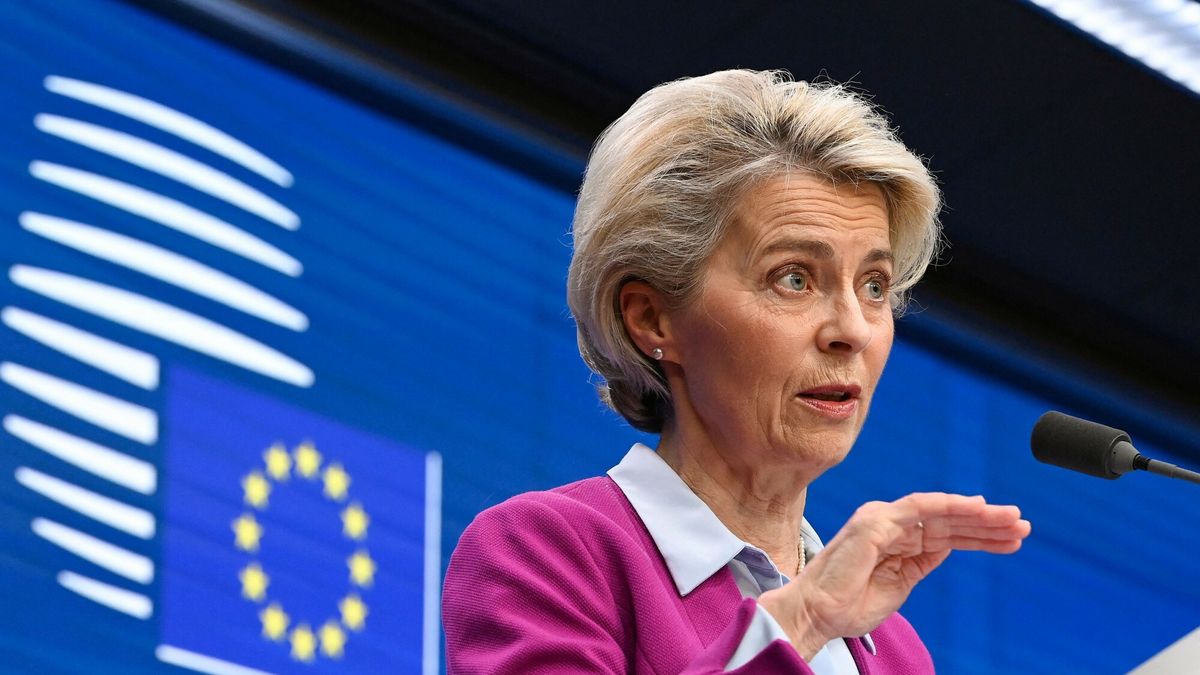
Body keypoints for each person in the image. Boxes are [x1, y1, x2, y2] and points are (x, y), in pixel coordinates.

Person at [442, 69, 1031, 674]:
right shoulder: (552, 553)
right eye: (794, 278)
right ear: (652, 318)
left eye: (874, 285)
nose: (852, 329)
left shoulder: (897, 653)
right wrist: (802, 620)